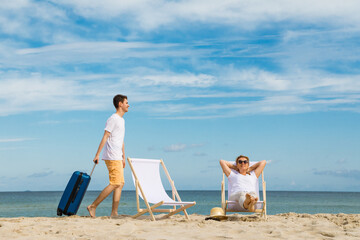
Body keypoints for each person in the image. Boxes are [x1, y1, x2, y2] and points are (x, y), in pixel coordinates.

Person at [87, 94, 129, 217]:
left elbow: (121, 140)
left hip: (118, 156)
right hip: (111, 155)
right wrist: (97, 154)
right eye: (126, 102)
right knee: (115, 183)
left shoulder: (122, 120)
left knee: (120, 183)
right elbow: (105, 135)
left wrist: (123, 156)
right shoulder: (113, 119)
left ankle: (114, 212)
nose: (128, 105)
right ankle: (93, 206)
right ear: (120, 104)